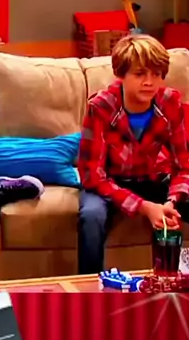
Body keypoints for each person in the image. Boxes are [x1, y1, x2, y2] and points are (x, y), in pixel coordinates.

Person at [77, 34, 189, 274]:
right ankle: (90, 284)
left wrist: (171, 201)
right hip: (109, 183)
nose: (149, 82)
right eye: (140, 74)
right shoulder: (101, 107)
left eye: (156, 74)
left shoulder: (170, 102)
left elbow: (183, 166)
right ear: (121, 75)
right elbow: (91, 175)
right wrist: (144, 207)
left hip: (153, 178)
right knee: (91, 216)